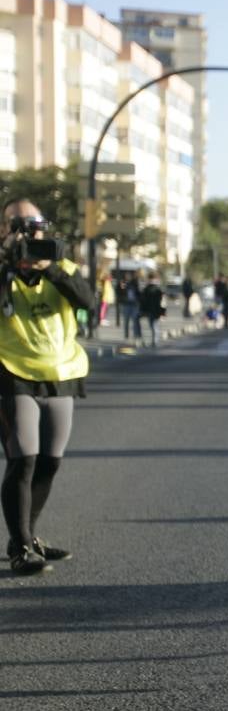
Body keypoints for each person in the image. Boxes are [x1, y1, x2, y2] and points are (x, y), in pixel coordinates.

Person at [0, 199, 94, 575]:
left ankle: (28, 536)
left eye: (33, 223)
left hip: (61, 369)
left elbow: (87, 301)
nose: (26, 230)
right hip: (11, 369)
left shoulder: (62, 265)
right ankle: (22, 547)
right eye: (15, 223)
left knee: (50, 462)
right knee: (22, 457)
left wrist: (50, 269)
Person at [139, 272, 165, 349]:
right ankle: (154, 341)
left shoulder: (154, 289)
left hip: (153, 310)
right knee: (153, 325)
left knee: (153, 325)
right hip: (153, 310)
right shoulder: (150, 289)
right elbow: (143, 300)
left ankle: (155, 341)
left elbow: (162, 302)